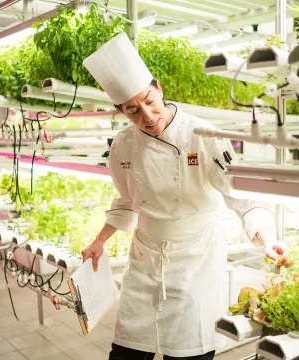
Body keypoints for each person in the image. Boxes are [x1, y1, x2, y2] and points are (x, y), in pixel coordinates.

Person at [81, 32, 287, 360]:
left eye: (149, 101)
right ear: (121, 111)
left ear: (159, 88)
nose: (147, 116)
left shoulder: (203, 135)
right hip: (145, 259)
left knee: (189, 351)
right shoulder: (122, 145)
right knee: (127, 352)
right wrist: (99, 241)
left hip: (196, 260)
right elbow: (125, 201)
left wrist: (267, 237)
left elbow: (240, 195)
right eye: (133, 110)